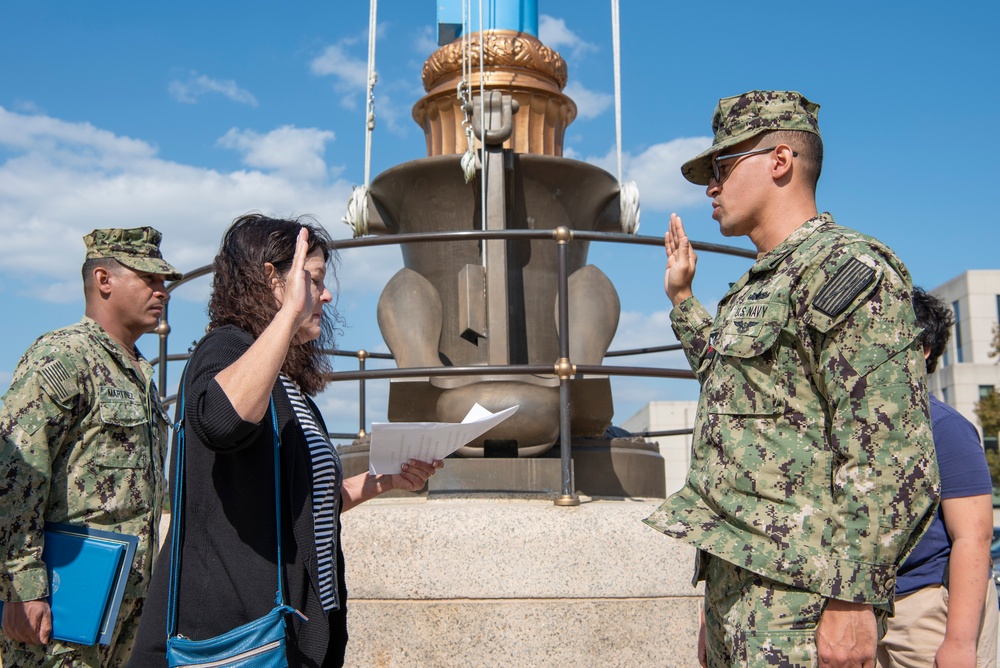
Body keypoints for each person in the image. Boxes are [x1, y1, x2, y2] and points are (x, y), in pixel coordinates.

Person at [642, 90, 940, 667]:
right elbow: (731, 382)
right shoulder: (757, 288)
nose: (711, 187)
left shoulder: (848, 270)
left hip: (805, 596)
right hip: (740, 583)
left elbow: (890, 452)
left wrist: (854, 601)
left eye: (722, 168)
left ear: (780, 161)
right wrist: (682, 299)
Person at [128, 214, 442, 668]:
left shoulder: (288, 386)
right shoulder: (223, 350)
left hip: (293, 635)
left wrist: (385, 481)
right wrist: (291, 312)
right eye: (313, 280)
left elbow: (305, 505)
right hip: (233, 641)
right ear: (272, 280)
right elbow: (219, 421)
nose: (325, 295)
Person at [0, 227, 181, 667]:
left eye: (164, 283)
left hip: (126, 604)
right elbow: (13, 476)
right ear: (104, 280)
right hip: (63, 604)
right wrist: (22, 590)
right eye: (150, 280)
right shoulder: (62, 357)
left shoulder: (139, 373)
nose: (163, 292)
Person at [877, 288, 998, 668]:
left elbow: (974, 537)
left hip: (931, 611)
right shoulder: (856, 425)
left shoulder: (945, 428)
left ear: (924, 349)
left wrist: (960, 642)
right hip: (869, 614)